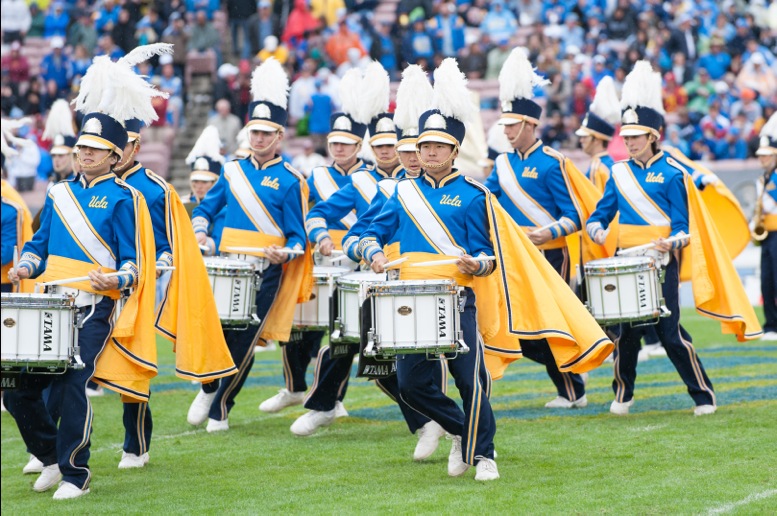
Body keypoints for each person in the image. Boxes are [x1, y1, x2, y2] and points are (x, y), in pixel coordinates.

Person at [4, 55, 158, 499]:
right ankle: (49, 455)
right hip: (51, 299)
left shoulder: (125, 197)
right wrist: (27, 265)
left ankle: (75, 473)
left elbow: (134, 262)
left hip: (95, 305)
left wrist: (118, 280)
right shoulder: (58, 193)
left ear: (113, 154)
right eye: (81, 146)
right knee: (15, 384)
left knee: (72, 379)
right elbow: (39, 244)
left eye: (94, 148)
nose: (84, 152)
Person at [360, 58, 499, 481]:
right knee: (411, 384)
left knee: (470, 378)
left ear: (455, 150)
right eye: (424, 146)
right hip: (410, 298)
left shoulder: (475, 194)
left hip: (457, 298)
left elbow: (489, 254)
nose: (430, 152)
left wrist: (476, 263)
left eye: (438, 146)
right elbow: (368, 233)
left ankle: (484, 454)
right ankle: (461, 432)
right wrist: (373, 253)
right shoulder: (401, 192)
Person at [586, 61, 719, 417]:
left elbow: (682, 227)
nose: (628, 143)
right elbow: (598, 216)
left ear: (653, 136)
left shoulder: (673, 174)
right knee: (626, 334)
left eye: (635, 137)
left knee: (669, 331)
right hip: (625, 258)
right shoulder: (618, 173)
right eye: (625, 137)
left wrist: (671, 243)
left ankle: (703, 395)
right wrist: (596, 229)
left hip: (661, 262)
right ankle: (622, 396)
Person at [187, 58, 312, 433]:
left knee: (246, 339)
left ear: (278, 137)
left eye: (265, 134)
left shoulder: (290, 180)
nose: (258, 139)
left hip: (266, 270)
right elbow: (206, 208)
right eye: (254, 133)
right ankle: (209, 386)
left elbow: (298, 237)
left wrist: (285, 253)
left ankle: (220, 405)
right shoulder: (231, 170)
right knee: (218, 333)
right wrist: (200, 231)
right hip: (228, 264)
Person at [261, 67, 371, 431]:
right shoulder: (316, 175)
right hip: (321, 261)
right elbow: (308, 216)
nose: (338, 148)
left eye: (346, 143)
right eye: (335, 143)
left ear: (359, 146)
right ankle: (295, 387)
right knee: (298, 329)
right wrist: (315, 239)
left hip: (360, 264)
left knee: (343, 334)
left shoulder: (370, 179)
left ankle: (332, 400)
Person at [485, 48, 588, 409]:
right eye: (505, 127)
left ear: (531, 124)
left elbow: (575, 215)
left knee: (548, 323)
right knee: (520, 328)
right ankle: (575, 363)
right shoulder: (501, 165)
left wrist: (548, 233)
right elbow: (486, 203)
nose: (508, 132)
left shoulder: (553, 162)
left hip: (550, 253)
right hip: (514, 258)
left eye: (513, 126)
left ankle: (571, 389)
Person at [183, 124, 225, 252]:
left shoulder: (223, 208)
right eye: (195, 181)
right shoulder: (182, 204)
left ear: (215, 183)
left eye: (204, 182)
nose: (199, 186)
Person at [575, 76, 620, 194]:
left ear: (597, 140)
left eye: (585, 137)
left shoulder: (598, 168)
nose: (581, 141)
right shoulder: (607, 163)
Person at [754, 114, 777, 341]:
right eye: (761, 156)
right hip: (768, 235)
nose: (762, 159)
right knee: (767, 281)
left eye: (767, 155)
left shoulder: (773, 179)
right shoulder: (763, 179)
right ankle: (770, 324)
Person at [41, 99, 77, 192]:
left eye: (61, 155)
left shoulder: (78, 184)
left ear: (72, 156)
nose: (56, 159)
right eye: (54, 155)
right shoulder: (52, 184)